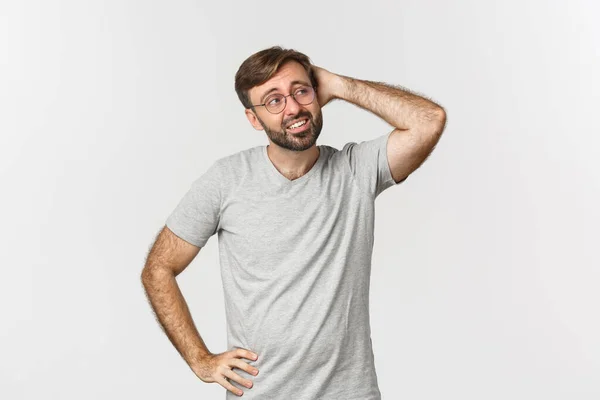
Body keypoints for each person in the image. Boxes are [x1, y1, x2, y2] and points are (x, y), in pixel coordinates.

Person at [141, 46, 447, 399]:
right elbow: (158, 268)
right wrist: (200, 359)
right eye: (273, 101)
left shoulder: (356, 170)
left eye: (301, 91)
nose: (293, 108)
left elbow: (429, 121)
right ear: (254, 119)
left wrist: (338, 84)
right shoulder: (225, 181)